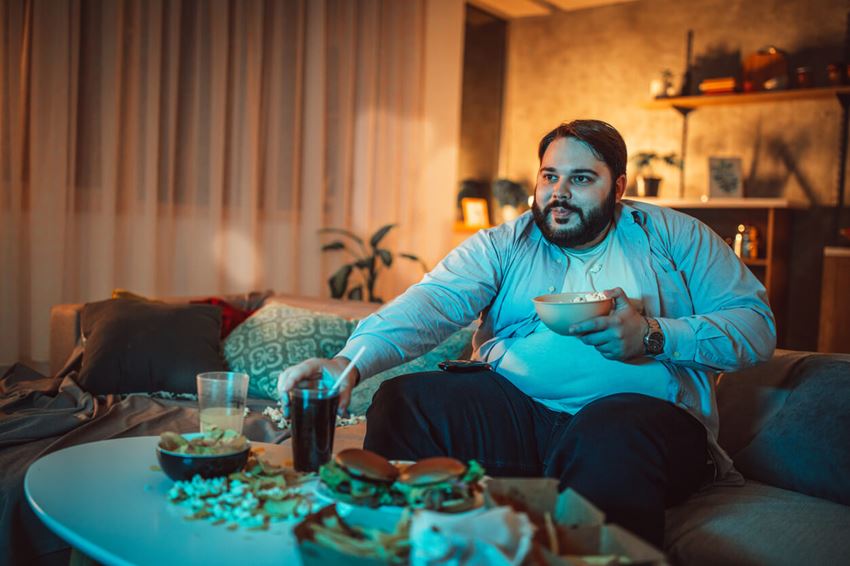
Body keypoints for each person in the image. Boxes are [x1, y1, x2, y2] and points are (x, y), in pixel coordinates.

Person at [279, 119, 776, 547]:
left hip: (640, 428)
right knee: (405, 400)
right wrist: (348, 361)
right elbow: (431, 302)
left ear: (618, 187)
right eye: (549, 176)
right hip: (521, 415)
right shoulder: (505, 243)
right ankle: (403, 547)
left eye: (581, 178)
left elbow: (756, 327)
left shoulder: (675, 236)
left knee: (609, 431)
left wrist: (653, 335)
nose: (559, 192)